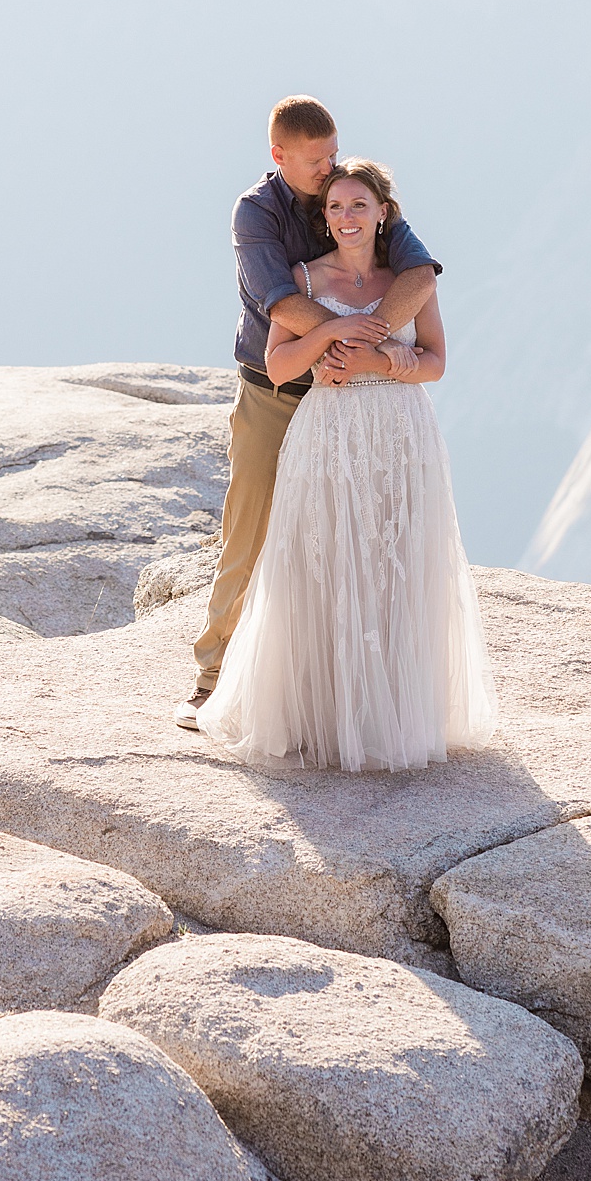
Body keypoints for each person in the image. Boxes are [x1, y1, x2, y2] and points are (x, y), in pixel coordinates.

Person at [196, 158, 497, 771]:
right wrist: (326, 344)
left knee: (397, 565)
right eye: (335, 207)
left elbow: (436, 360)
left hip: (400, 435)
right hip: (330, 430)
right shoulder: (303, 279)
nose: (346, 217)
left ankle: (391, 713)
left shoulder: (411, 279)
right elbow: (280, 366)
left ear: (385, 212)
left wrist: (381, 361)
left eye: (359, 205)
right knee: (324, 561)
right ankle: (320, 711)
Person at [175, 96, 440, 730]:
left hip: (350, 402)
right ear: (279, 157)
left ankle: (325, 692)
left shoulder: (349, 193)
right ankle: (215, 677)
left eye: (332, 153)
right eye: (316, 159)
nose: (329, 168)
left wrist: (360, 350)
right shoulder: (255, 214)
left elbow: (421, 275)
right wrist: (353, 338)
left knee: (341, 544)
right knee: (252, 532)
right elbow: (280, 303)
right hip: (278, 393)